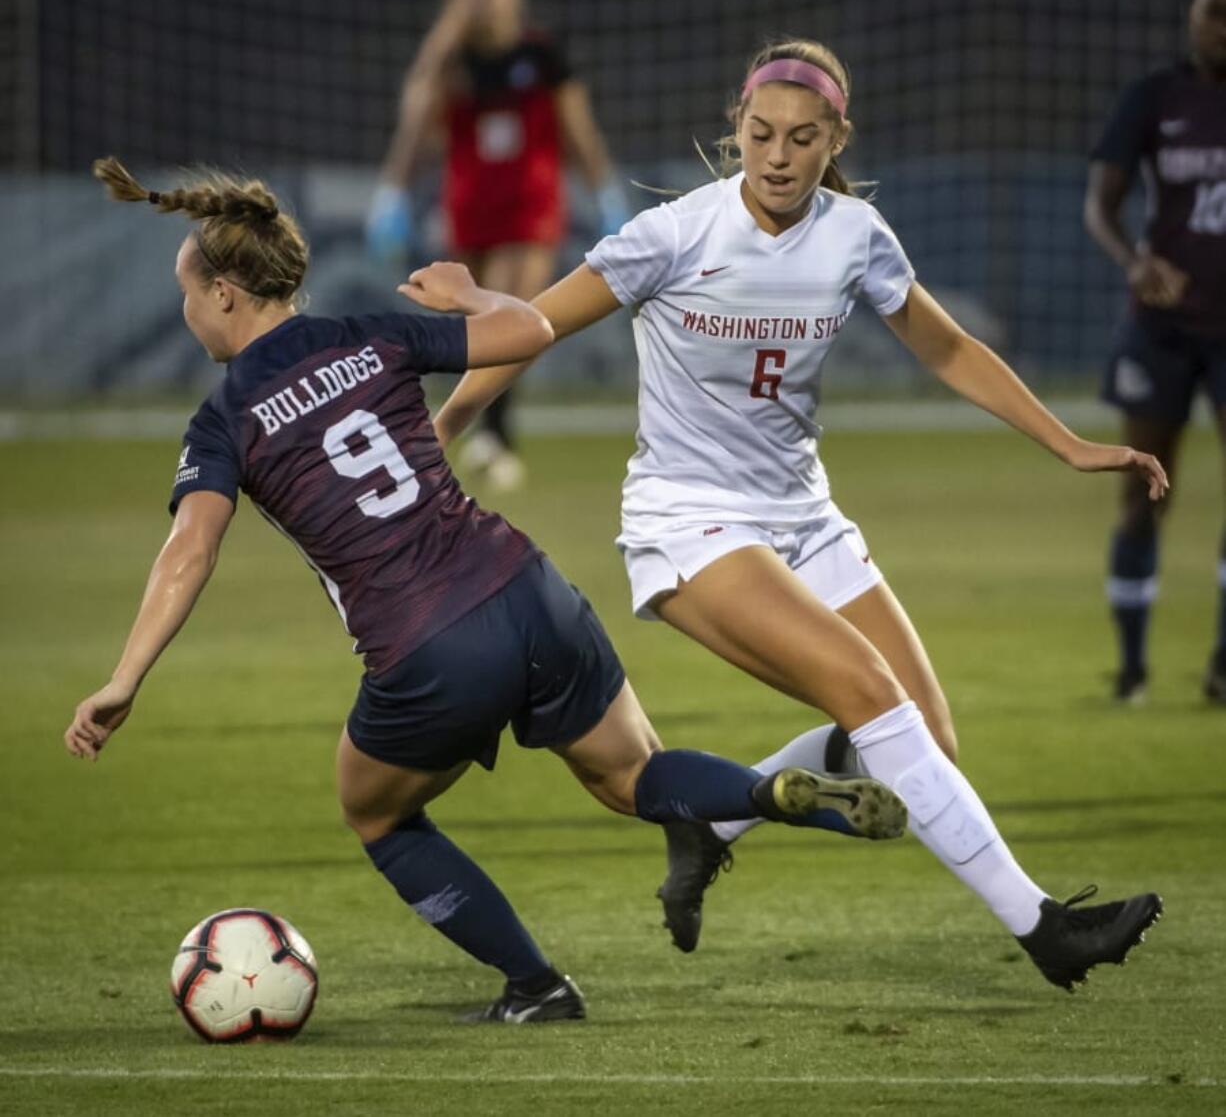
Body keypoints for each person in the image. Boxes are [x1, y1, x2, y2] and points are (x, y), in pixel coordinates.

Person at [65, 157, 907, 1024]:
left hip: (427, 643)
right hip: (527, 586)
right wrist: (470, 294)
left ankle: (537, 986)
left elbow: (187, 552)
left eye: (189, 294)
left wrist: (125, 678)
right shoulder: (372, 334)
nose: (187, 311)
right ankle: (764, 795)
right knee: (633, 774)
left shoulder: (224, 417)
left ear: (229, 295)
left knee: (375, 812)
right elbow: (530, 332)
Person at [431, 39, 1170, 990]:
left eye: (802, 138)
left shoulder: (855, 234)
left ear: (836, 141)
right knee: (869, 695)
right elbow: (528, 327)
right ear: (735, 125)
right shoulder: (675, 235)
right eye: (760, 133)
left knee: (924, 746)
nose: (777, 155)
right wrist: (446, 422)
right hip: (689, 521)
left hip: (805, 518)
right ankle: (1046, 929)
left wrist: (1067, 441)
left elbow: (947, 350)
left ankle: (714, 819)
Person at [366, 0, 628, 491]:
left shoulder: (541, 55)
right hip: (470, 209)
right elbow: (417, 120)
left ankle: (494, 436)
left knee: (516, 313)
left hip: (529, 209)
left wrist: (605, 193)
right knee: (476, 325)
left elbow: (578, 130)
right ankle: (476, 433)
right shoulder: (452, 61)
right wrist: (391, 193)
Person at [1084, 0, 1226, 705]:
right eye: (1211, 11)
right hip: (1162, 329)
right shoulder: (1155, 96)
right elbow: (1100, 206)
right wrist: (1135, 261)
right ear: (1192, 16)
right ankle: (1133, 670)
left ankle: (1223, 670)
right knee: (1144, 489)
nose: (1219, 26)